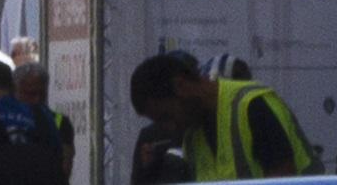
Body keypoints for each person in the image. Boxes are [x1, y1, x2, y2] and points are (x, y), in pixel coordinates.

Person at [127, 52, 317, 179]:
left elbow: (283, 179)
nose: (168, 128)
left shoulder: (251, 106)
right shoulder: (193, 138)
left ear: (181, 86)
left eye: (166, 117)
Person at [13, 63, 75, 181]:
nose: (36, 100)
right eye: (30, 94)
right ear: (15, 90)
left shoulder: (60, 122)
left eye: (41, 94)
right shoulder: (5, 121)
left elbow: (65, 167)